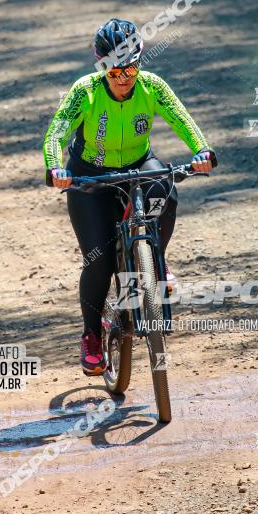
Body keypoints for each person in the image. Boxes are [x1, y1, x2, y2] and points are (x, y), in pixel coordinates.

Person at [43, 19, 215, 375]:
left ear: (140, 60)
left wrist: (201, 152)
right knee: (100, 259)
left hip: (138, 164)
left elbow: (182, 120)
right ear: (101, 64)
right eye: (115, 70)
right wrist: (55, 168)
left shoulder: (152, 86)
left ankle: (156, 259)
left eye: (131, 68)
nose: (123, 78)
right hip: (90, 175)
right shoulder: (85, 91)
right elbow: (56, 133)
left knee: (165, 187)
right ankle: (92, 335)